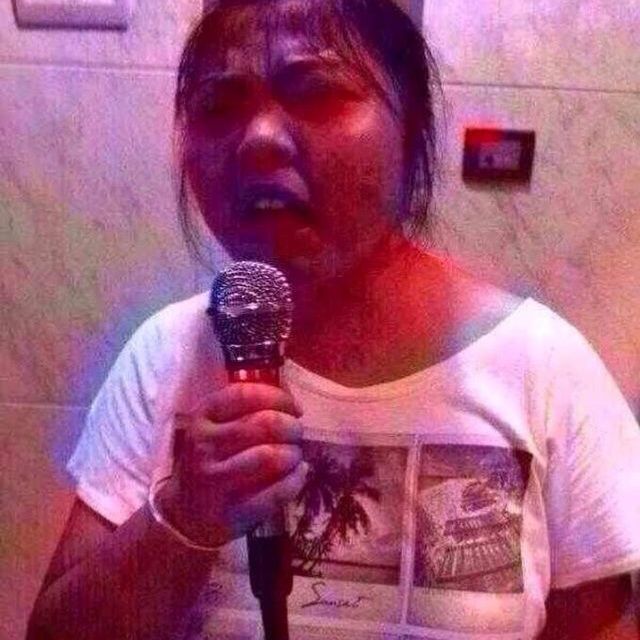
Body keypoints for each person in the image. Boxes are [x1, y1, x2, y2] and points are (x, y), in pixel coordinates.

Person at [27, 0, 640, 638]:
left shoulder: (543, 369)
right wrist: (186, 515)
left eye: (316, 91)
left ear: (412, 126)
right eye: (219, 105)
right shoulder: (165, 355)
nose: (258, 139)